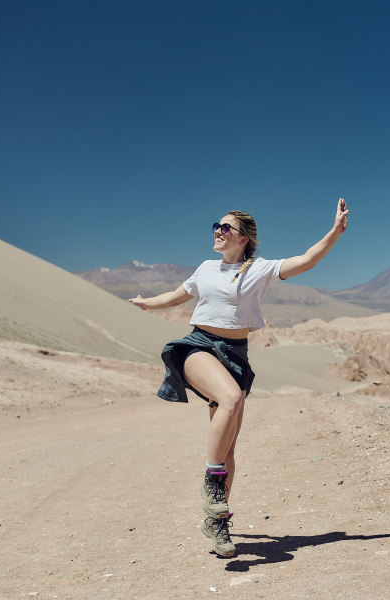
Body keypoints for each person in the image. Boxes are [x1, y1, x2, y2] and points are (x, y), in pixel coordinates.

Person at [128, 199, 349, 557]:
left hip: (235, 355)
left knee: (229, 447)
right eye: (216, 225)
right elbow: (177, 296)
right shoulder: (205, 268)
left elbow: (306, 260)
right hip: (198, 346)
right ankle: (212, 483)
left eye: (226, 227)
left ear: (244, 238)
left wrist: (335, 232)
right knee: (230, 399)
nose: (218, 230)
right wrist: (146, 302)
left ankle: (217, 523)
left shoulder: (259, 269)